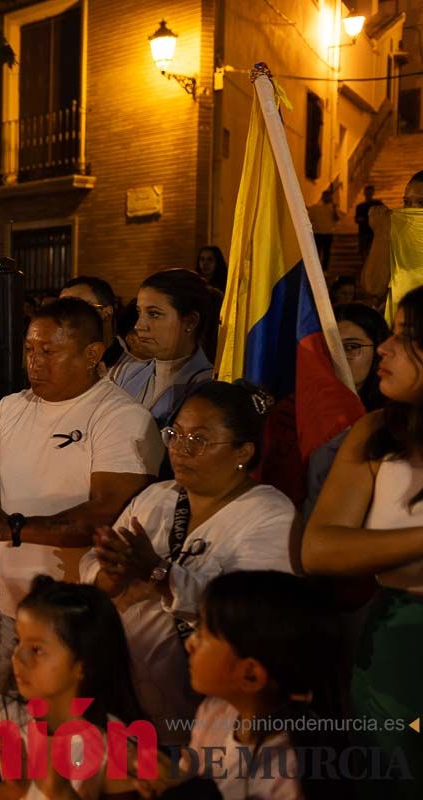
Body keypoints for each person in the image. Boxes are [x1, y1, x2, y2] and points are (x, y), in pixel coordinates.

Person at [0, 298, 162, 698]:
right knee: (5, 736)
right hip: (11, 610)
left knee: (72, 743)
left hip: (81, 619)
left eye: (49, 351)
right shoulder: (10, 408)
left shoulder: (120, 417)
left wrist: (13, 527)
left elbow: (107, 511)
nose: (35, 362)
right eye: (29, 349)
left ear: (92, 353)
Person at [82, 381, 296, 745]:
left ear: (243, 451)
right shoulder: (155, 497)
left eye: (198, 440)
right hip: (121, 704)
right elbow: (94, 571)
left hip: (204, 716)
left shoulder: (270, 514)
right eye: (174, 434)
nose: (179, 450)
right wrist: (109, 574)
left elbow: (252, 615)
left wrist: (159, 572)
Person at [302, 285, 423, 794]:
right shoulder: (375, 432)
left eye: (408, 336)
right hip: (396, 644)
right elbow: (320, 549)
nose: (387, 348)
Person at [137, 571, 352, 800]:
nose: (190, 643)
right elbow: (190, 774)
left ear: (251, 675)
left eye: (204, 634)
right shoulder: (214, 712)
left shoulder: (289, 772)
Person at [0, 576, 148, 800]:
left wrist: (58, 792)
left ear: (84, 664)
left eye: (36, 650)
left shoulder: (117, 747)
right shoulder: (1, 713)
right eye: (17, 642)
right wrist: (11, 791)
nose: (17, 656)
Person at [303, 304, 391, 519]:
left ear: (379, 351)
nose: (338, 357)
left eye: (352, 347)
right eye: (329, 347)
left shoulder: (393, 418)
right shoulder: (297, 410)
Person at [109, 269, 215, 430]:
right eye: (139, 312)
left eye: (154, 314)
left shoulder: (208, 387)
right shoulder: (126, 374)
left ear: (190, 322)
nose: (139, 326)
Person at [360, 170, 423, 299]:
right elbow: (373, 287)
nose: (411, 210)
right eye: (407, 202)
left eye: (421, 203)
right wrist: (382, 232)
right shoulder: (400, 240)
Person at [59, 276, 126, 368]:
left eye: (78, 308)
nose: (68, 317)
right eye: (61, 309)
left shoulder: (133, 372)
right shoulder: (60, 361)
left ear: (107, 313)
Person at [308, 189, 341, 271]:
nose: (327, 198)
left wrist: (334, 209)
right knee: (316, 252)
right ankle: (315, 269)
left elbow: (337, 218)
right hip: (317, 232)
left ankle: (324, 269)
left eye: (329, 196)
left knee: (327, 252)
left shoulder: (333, 208)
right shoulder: (315, 208)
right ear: (323, 197)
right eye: (326, 196)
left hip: (328, 233)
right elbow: (309, 219)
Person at [355, 185, 385, 261]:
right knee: (364, 251)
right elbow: (356, 219)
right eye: (367, 192)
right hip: (364, 231)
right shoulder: (360, 206)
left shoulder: (378, 204)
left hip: (374, 231)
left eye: (370, 192)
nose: (368, 194)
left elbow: (385, 214)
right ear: (364, 193)